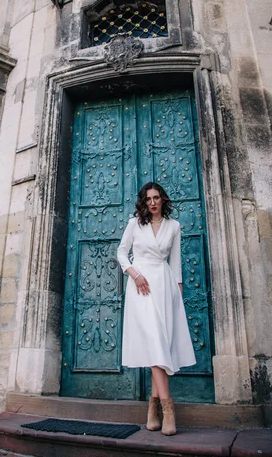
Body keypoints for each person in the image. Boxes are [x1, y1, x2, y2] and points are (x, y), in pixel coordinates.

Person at [117, 182, 196, 435]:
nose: (152, 202)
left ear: (163, 200)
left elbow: (175, 265)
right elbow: (121, 252)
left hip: (165, 288)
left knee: (158, 346)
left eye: (156, 198)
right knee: (155, 342)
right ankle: (168, 409)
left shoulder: (174, 227)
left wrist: (178, 299)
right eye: (148, 198)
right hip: (141, 287)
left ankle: (152, 410)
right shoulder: (134, 224)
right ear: (144, 201)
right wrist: (134, 274)